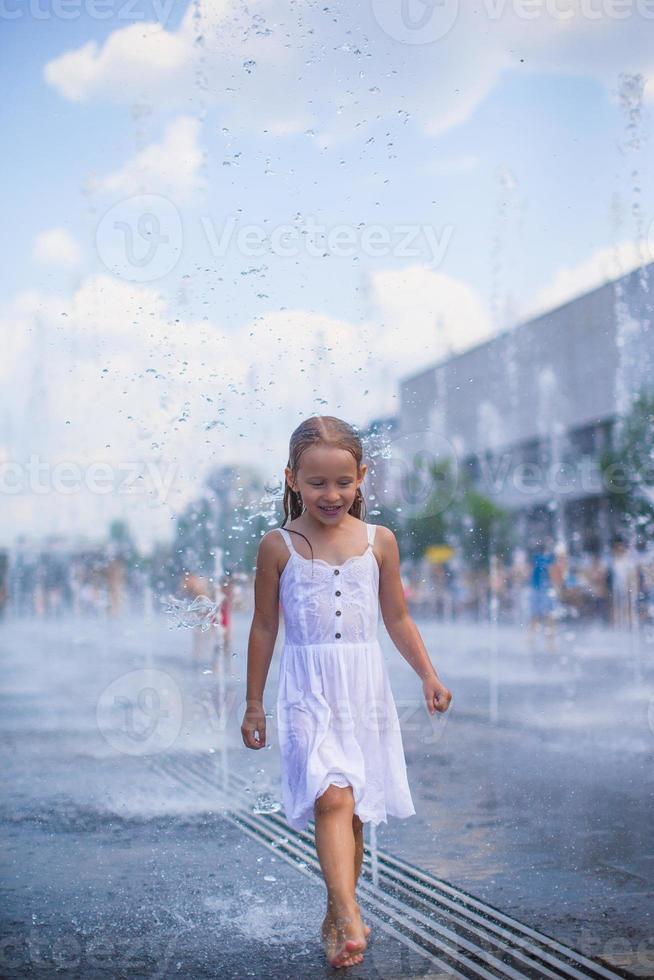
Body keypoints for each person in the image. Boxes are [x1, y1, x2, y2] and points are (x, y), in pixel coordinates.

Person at [241, 416, 453, 969]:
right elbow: (264, 627)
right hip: (307, 688)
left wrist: (428, 674)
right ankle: (353, 913)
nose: (330, 495)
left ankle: (337, 913)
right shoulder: (278, 546)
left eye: (342, 482)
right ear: (291, 479)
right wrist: (253, 702)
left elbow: (398, 617)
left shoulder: (380, 541)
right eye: (316, 483)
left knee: (353, 810)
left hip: (364, 690)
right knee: (330, 796)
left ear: (362, 477)